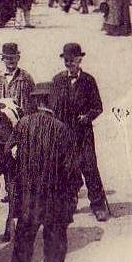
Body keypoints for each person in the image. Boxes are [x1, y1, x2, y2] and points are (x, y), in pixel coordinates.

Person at [7, 82, 81, 262]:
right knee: (55, 243)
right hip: (54, 199)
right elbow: (72, 169)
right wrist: (73, 192)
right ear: (52, 101)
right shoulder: (61, 129)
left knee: (23, 240)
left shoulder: (22, 124)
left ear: (37, 101)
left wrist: (19, 178)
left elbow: (8, 153)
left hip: (28, 197)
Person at [49, 43, 110, 222]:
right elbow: (53, 106)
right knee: (67, 169)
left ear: (80, 60)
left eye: (73, 61)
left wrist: (87, 117)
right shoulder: (57, 80)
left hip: (83, 133)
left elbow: (98, 107)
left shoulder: (88, 81)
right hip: (64, 134)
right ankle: (70, 201)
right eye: (67, 61)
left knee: (89, 167)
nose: (70, 64)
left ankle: (98, 205)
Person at [0, 43, 36, 115]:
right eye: (8, 58)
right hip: (2, 121)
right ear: (3, 59)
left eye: (14, 57)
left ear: (18, 58)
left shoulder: (26, 77)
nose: (11, 61)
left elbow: (33, 103)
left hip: (22, 121)